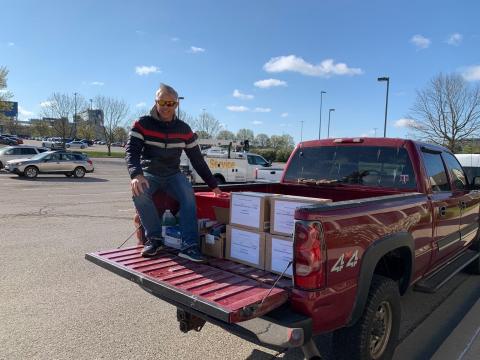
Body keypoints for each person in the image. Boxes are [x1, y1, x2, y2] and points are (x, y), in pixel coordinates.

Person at [125, 83, 222, 262]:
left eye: (171, 103)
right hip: (149, 173)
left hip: (173, 175)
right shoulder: (142, 124)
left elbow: (197, 160)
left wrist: (213, 185)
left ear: (176, 105)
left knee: (188, 196)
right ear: (156, 102)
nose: (166, 107)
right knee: (139, 193)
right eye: (163, 102)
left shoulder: (184, 130)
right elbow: (131, 151)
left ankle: (189, 246)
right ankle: (154, 239)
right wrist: (136, 175)